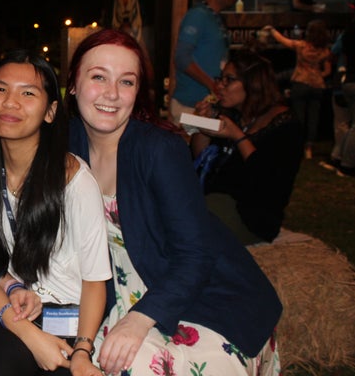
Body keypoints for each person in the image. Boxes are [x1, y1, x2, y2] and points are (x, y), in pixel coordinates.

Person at [66, 29, 282, 376]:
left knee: (132, 366)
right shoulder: (69, 141)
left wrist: (139, 319)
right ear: (73, 84)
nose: (111, 94)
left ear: (138, 92)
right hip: (115, 293)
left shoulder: (158, 150)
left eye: (126, 82)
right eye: (98, 77)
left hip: (199, 297)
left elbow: (196, 254)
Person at [0, 50, 110, 376]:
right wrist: (31, 336)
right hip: (17, 315)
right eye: (1, 89)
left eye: (28, 93)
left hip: (75, 320)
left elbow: (93, 283)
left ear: (50, 112)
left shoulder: (74, 181)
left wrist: (83, 352)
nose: (10, 102)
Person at [191, 51, 304, 244]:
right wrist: (203, 126)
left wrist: (238, 136)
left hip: (252, 216)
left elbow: (264, 180)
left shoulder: (285, 125)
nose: (220, 86)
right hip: (216, 199)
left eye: (230, 80)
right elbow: (201, 158)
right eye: (221, 78)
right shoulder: (234, 114)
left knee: (188, 224)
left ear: (254, 83)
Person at [170, 0, 239, 127]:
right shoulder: (197, 15)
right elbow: (181, 58)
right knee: (194, 148)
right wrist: (212, 85)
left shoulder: (215, 18)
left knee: (207, 150)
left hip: (208, 106)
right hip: (189, 106)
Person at [263, 20, 332, 159]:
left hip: (300, 83)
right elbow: (328, 71)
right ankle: (309, 148)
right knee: (314, 117)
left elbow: (283, 40)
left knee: (299, 117)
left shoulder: (301, 46)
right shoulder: (325, 52)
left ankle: (298, 145)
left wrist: (272, 30)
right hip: (317, 86)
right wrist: (317, 74)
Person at [330, 0, 355, 178]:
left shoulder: (349, 29)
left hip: (349, 81)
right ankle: (348, 165)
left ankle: (338, 157)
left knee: (353, 124)